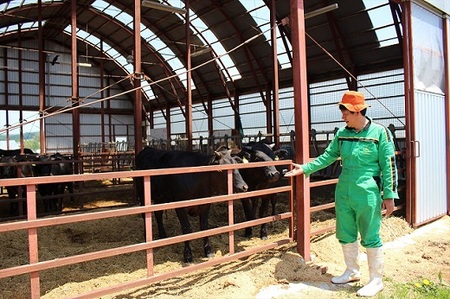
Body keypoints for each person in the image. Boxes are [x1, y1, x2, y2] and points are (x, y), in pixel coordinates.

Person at [285, 90, 398, 297]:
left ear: (357, 111)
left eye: (345, 112)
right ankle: (352, 271)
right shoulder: (342, 134)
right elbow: (328, 156)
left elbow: (389, 165)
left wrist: (389, 195)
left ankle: (376, 280)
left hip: (367, 189)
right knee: (345, 232)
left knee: (370, 235)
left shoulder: (379, 133)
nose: (342, 116)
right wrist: (306, 168)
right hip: (343, 188)